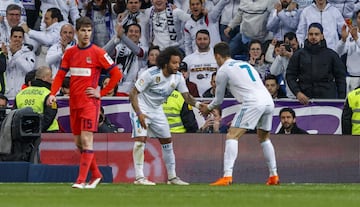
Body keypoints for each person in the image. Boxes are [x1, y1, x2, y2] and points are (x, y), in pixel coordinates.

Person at [46, 17, 123, 189]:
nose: (87, 34)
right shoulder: (70, 53)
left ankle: (80, 180)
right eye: (83, 30)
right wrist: (52, 93)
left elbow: (117, 74)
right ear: (77, 32)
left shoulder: (98, 52)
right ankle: (96, 175)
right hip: (74, 103)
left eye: (89, 30)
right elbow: (60, 75)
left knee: (87, 141)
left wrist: (100, 92)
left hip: (90, 103)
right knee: (79, 143)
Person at [199, 42, 279, 186]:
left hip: (252, 102)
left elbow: (218, 100)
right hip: (268, 100)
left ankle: (227, 176)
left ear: (217, 56)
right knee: (264, 137)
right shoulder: (244, 64)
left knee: (232, 135)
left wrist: (208, 108)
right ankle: (273, 175)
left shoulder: (223, 71)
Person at [129, 46, 200, 185]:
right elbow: (133, 93)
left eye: (178, 63)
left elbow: (186, 96)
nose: (177, 66)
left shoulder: (178, 77)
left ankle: (172, 177)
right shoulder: (151, 74)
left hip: (156, 110)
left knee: (167, 141)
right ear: (166, 63)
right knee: (140, 140)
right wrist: (139, 113)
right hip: (141, 107)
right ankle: (139, 177)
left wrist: (198, 106)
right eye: (174, 63)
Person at [286, 23, 346, 105]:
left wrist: (341, 100)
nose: (313, 37)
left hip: (327, 99)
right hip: (304, 99)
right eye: (311, 34)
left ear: (322, 36)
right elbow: (290, 76)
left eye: (316, 34)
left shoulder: (331, 55)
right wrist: (297, 93)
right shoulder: (298, 55)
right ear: (307, 35)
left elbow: (340, 78)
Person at [14, 66, 59, 132]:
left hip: (24, 132)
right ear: (44, 78)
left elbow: (15, 115)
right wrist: (38, 130)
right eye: (51, 76)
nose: (53, 79)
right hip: (48, 132)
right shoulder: (49, 94)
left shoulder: (20, 94)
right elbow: (50, 114)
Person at [3, 26, 36, 98]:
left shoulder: (29, 53)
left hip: (22, 93)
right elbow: (5, 68)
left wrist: (16, 54)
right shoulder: (5, 51)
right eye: (15, 36)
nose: (17, 39)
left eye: (20, 37)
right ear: (10, 38)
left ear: (23, 39)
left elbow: (29, 70)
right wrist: (6, 55)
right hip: (6, 93)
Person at [183, 29, 218, 96]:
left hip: (213, 97)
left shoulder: (217, 57)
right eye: (199, 39)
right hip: (194, 98)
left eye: (205, 39)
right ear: (195, 41)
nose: (202, 41)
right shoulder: (188, 59)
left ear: (210, 40)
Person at [335, 9, 360, 94]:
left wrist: (356, 38)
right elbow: (338, 53)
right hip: (350, 77)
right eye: (359, 18)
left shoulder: (354, 35)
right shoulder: (351, 34)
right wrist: (343, 40)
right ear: (356, 19)